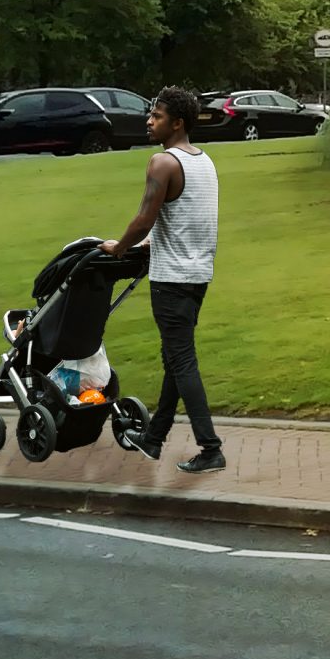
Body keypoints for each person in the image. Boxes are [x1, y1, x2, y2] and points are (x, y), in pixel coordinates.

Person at [102, 87, 223, 474]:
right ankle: (154, 438)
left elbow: (143, 218)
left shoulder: (163, 162)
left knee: (182, 361)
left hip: (171, 278)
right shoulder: (203, 162)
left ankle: (210, 447)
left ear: (177, 123)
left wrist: (118, 247)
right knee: (174, 358)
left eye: (156, 116)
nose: (149, 121)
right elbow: (192, 219)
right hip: (198, 273)